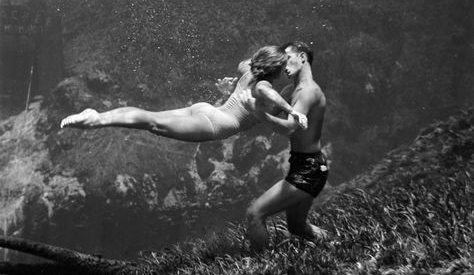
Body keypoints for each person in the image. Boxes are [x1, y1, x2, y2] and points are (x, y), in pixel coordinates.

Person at [60, 45, 308, 142]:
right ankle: (95, 120)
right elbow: (271, 96)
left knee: (151, 118)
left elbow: (246, 63)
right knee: (153, 122)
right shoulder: (265, 87)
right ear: (275, 68)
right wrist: (292, 111)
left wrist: (231, 88)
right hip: (214, 124)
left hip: (206, 110)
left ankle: (99, 117)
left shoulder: (248, 71)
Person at [241, 41, 328, 251]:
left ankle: (260, 270)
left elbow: (289, 128)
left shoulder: (309, 92)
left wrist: (258, 112)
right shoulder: (291, 89)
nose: (283, 65)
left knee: (255, 214)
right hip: (303, 165)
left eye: (287, 59)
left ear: (303, 58)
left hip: (310, 169)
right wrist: (237, 94)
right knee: (297, 228)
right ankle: (336, 244)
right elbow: (265, 115)